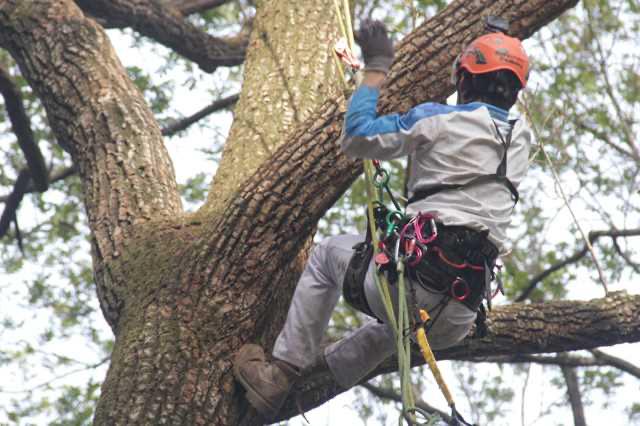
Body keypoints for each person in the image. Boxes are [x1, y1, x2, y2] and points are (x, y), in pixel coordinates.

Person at [233, 19, 532, 419]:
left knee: (326, 255)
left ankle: (282, 372)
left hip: (414, 284)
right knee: (394, 329)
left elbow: (357, 136)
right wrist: (501, 41)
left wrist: (376, 65)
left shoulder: (438, 119)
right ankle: (321, 377)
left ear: (464, 80)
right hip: (459, 314)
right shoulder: (524, 139)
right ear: (514, 90)